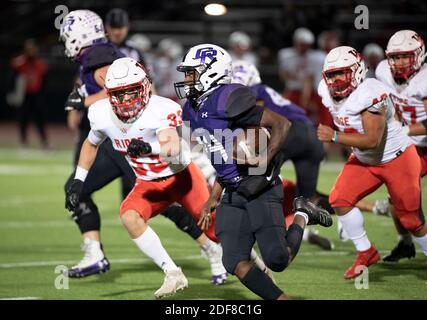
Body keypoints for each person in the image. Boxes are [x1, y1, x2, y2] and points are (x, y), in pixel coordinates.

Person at [60, 10, 226, 284]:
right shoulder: (102, 54)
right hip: (121, 138)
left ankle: (212, 249)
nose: (66, 41)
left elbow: (113, 88)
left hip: (125, 140)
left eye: (68, 35)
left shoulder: (97, 56)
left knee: (161, 201)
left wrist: (83, 102)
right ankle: (95, 253)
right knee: (97, 193)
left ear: (80, 35)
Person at [175, 43, 332, 300]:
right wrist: (213, 197)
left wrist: (264, 160)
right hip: (231, 190)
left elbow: (281, 123)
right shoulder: (191, 109)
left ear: (211, 72)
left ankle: (303, 212)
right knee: (234, 261)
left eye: (192, 73)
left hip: (260, 186)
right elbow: (220, 158)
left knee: (277, 259)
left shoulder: (228, 96)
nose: (186, 80)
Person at [317, 46, 426, 279]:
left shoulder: (370, 92)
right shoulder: (325, 92)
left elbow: (372, 140)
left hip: (397, 158)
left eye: (342, 73)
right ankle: (366, 251)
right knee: (339, 199)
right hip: (365, 160)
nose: (335, 80)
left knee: (411, 220)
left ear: (357, 71)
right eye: (331, 74)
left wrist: (334, 136)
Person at [376, 30, 427, 264]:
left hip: (419, 140)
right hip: (411, 146)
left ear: (418, 55)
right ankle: (406, 243)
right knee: (399, 197)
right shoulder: (383, 72)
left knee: (407, 201)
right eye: (394, 57)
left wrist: (402, 130)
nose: (398, 63)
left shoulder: (424, 79)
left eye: (405, 57)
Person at [9, 39, 49, 148]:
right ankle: (23, 141)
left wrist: (42, 96)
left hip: (36, 95)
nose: (31, 51)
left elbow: (44, 82)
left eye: (33, 49)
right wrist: (13, 93)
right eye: (29, 49)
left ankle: (44, 141)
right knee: (23, 119)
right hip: (24, 96)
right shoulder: (19, 63)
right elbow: (13, 80)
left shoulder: (41, 64)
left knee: (40, 120)